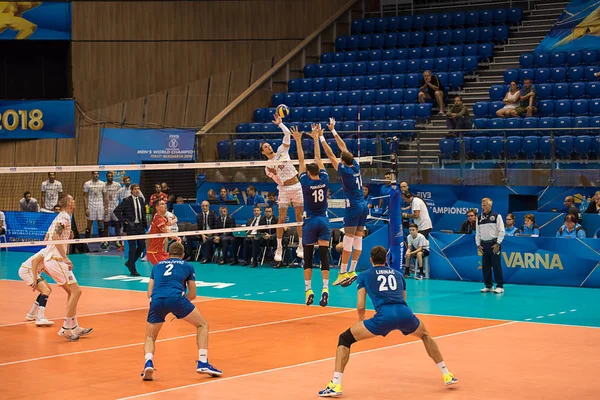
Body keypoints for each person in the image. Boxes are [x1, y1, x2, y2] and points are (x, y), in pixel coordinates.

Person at [318, 245, 457, 397]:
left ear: (371, 260)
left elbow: (361, 304)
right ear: (386, 260)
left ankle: (336, 384)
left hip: (384, 316)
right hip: (404, 312)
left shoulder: (364, 275)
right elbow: (403, 299)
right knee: (425, 335)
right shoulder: (398, 274)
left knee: (345, 339)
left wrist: (361, 320)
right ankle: (446, 373)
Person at [141, 242, 222, 381]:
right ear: (183, 255)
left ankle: (148, 362)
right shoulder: (188, 266)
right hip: (177, 299)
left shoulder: (157, 266)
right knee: (202, 325)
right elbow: (193, 294)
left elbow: (149, 293)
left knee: (150, 336)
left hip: (157, 300)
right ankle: (203, 361)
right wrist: (179, 307)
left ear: (167, 253)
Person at [320, 117, 369, 288]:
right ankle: (352, 270)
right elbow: (343, 148)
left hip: (354, 207)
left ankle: (342, 273)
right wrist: (333, 130)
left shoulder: (344, 170)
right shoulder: (355, 165)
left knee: (348, 239)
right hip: (362, 206)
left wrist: (321, 137)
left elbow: (331, 154)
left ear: (343, 162)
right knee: (358, 239)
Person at [292, 124, 332, 307]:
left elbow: (301, 160)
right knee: (324, 255)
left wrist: (298, 141)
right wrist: (316, 138)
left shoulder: (305, 182)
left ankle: (308, 290)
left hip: (309, 222)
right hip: (323, 221)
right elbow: (318, 158)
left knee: (307, 257)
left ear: (308, 173)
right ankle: (325, 289)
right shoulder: (324, 179)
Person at [44, 195, 94, 341]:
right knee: (77, 291)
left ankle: (74, 326)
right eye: (72, 200)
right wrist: (65, 258)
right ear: (67, 204)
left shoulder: (62, 217)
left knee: (71, 292)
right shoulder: (64, 217)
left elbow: (47, 237)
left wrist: (66, 236)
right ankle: (66, 328)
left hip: (51, 259)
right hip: (56, 260)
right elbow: (54, 236)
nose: (75, 201)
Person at [260, 113, 305, 262]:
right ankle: (278, 248)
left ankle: (301, 246)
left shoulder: (281, 150)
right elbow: (279, 182)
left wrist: (280, 123)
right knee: (282, 218)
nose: (268, 147)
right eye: (265, 147)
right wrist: (275, 174)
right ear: (263, 152)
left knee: (299, 217)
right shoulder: (267, 167)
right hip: (284, 190)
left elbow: (287, 134)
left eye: (268, 145)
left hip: (297, 186)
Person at [114, 184, 147, 276]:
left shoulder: (141, 200)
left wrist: (145, 223)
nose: (137, 190)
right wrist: (124, 221)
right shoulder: (126, 200)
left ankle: (129, 262)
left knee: (142, 246)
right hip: (131, 227)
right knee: (132, 248)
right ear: (131, 191)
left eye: (138, 189)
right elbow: (116, 211)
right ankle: (132, 269)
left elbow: (143, 212)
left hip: (140, 227)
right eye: (135, 189)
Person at [20, 248, 56, 327]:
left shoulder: (53, 253)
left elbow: (45, 268)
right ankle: (40, 317)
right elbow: (34, 261)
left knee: (48, 290)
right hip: (27, 270)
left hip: (34, 271)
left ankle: (31, 314)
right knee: (45, 291)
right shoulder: (47, 251)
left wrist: (56, 278)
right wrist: (35, 279)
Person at [475, 198, 505, 294]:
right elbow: (477, 233)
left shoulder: (496, 216)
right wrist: (478, 244)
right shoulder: (479, 218)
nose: (483, 207)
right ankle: (488, 286)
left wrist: (498, 243)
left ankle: (500, 286)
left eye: (485, 205)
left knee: (496, 265)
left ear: (490, 206)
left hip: (494, 244)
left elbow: (501, 231)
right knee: (485, 266)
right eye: (482, 205)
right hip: (484, 244)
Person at [147, 200, 179, 266]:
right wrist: (176, 238)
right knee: (162, 268)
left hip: (161, 251)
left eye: (165, 204)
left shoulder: (164, 218)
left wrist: (175, 219)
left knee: (170, 265)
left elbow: (168, 223)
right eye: (162, 204)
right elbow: (166, 230)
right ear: (157, 207)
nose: (165, 205)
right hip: (154, 252)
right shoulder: (158, 219)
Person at [102, 171, 123, 250]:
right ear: (106, 177)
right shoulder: (103, 185)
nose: (110, 177)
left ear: (113, 177)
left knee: (117, 224)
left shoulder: (117, 185)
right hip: (107, 207)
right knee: (106, 225)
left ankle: (117, 241)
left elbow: (121, 195)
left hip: (115, 207)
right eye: (108, 176)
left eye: (111, 176)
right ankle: (106, 242)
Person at [83, 171, 106, 238]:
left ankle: (102, 242)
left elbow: (105, 196)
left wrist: (106, 207)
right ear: (92, 174)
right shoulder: (87, 183)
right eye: (95, 174)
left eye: (97, 174)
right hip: (91, 206)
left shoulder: (102, 183)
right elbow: (84, 196)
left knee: (100, 225)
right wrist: (86, 208)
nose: (96, 175)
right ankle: (86, 241)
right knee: (89, 225)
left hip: (100, 206)